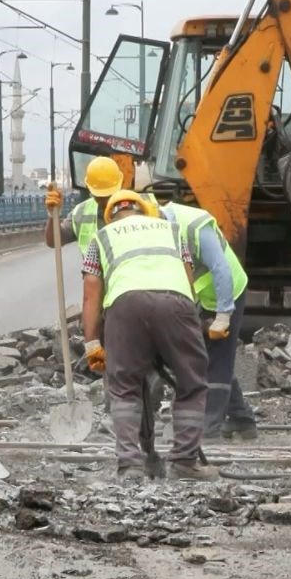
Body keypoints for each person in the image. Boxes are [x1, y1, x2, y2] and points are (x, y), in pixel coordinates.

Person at [81, 190, 214, 481]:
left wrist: (92, 344)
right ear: (144, 211)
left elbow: (91, 293)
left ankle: (130, 466)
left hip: (125, 306)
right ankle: (184, 461)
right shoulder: (172, 231)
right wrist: (177, 330)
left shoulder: (102, 237)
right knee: (191, 383)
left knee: (125, 387)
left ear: (111, 215)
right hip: (176, 303)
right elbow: (188, 281)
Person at [158, 199, 258, 440]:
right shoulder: (159, 229)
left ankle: (209, 428)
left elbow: (220, 268)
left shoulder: (194, 225)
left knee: (219, 360)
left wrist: (223, 317)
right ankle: (242, 419)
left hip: (228, 293)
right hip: (204, 297)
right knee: (203, 355)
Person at [44, 156, 124, 254]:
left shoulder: (138, 208)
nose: (105, 201)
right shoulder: (81, 212)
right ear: (88, 188)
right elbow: (54, 241)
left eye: (109, 195)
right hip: (93, 268)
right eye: (100, 196)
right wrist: (53, 215)